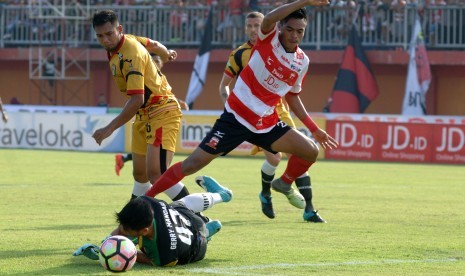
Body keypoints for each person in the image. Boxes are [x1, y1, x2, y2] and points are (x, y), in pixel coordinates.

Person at [145, 0, 338, 223]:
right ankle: (145, 200)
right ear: (281, 28)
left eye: (300, 31)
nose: (294, 35)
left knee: (310, 150)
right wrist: (305, 1)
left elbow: (292, 96)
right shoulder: (268, 39)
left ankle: (283, 183)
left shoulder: (302, 61)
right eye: (290, 29)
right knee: (191, 164)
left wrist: (315, 129)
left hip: (266, 123)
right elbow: (268, 20)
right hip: (235, 119)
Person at [219, 11, 323, 222]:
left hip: (278, 108)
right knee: (274, 157)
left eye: (257, 25)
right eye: (250, 26)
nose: (254, 30)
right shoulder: (239, 54)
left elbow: (292, 90)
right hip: (250, 112)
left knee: (300, 153)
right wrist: (231, 111)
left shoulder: (279, 45)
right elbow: (224, 86)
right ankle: (267, 192)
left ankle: (309, 208)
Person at [91, 10, 189, 201]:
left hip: (161, 109)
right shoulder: (125, 41)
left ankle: (197, 216)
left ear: (119, 29)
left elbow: (137, 100)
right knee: (140, 175)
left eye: (109, 34)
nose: (105, 40)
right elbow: (152, 44)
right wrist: (166, 53)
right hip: (144, 115)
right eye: (100, 36)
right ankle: (134, 219)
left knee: (158, 175)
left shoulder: (130, 55)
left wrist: (108, 128)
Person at [73, 176, 232, 267]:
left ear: (145, 231)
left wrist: (114, 253)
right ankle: (219, 197)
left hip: (197, 249)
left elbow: (149, 259)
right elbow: (124, 228)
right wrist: (104, 245)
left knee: (187, 225)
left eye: (126, 231)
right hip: (189, 220)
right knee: (179, 205)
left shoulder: (163, 252)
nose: (121, 231)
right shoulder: (149, 203)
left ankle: (207, 230)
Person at [114, 54, 189, 176]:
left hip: (155, 115)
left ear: (162, 64)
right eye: (152, 60)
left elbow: (163, 95)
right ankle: (124, 159)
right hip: (149, 117)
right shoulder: (142, 76)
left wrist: (178, 101)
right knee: (155, 171)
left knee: (151, 163)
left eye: (157, 60)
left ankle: (124, 159)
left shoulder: (159, 78)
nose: (155, 63)